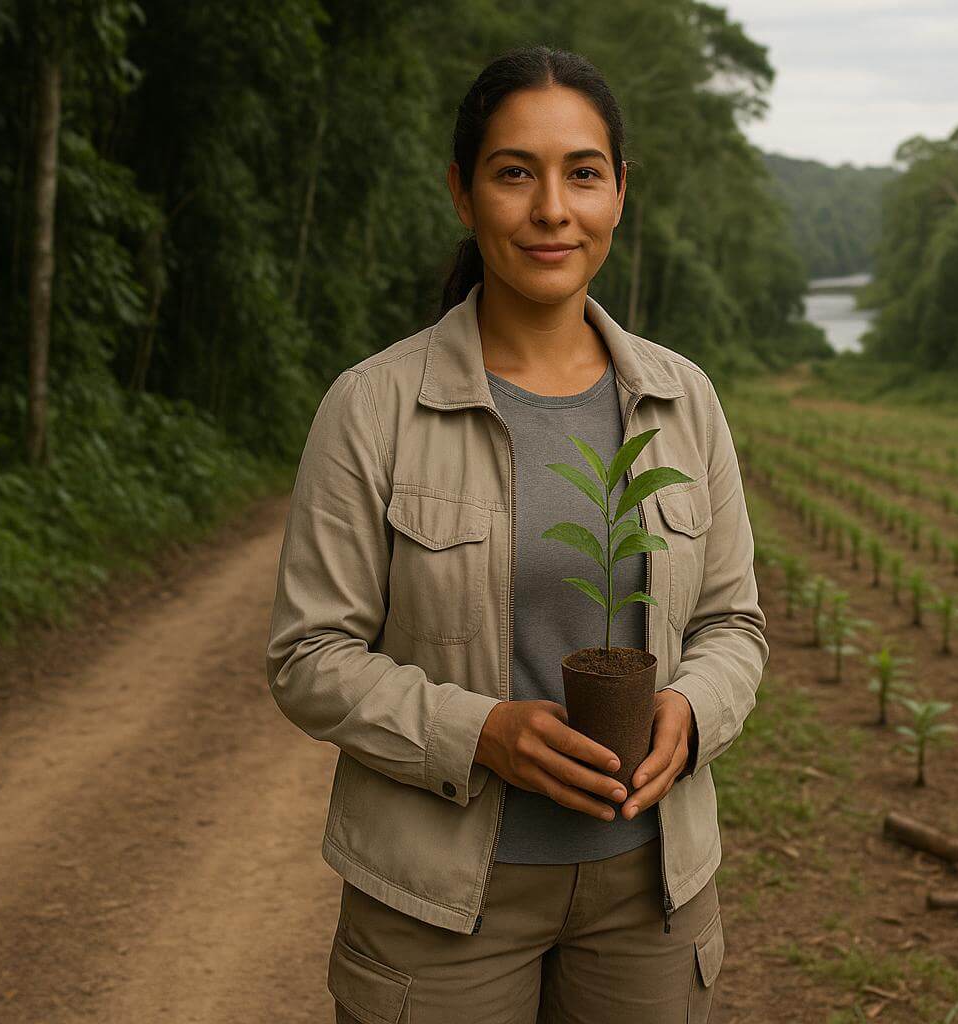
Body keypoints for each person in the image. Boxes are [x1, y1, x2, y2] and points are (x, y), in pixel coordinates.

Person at [265, 44, 768, 1024]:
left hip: (650, 892)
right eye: (514, 173)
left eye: (582, 172)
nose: (552, 209)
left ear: (620, 191)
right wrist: (479, 731)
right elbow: (307, 655)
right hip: (438, 903)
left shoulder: (682, 401)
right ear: (463, 192)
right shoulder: (374, 407)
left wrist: (693, 711)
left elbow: (732, 622)